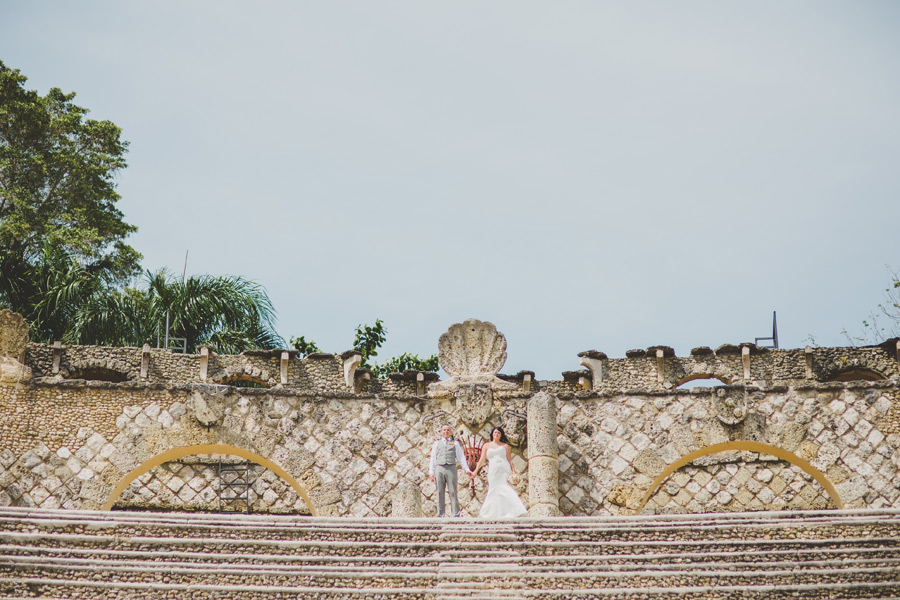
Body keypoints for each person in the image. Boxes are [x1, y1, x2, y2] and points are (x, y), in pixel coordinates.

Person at [472, 426, 527, 519]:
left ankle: (512, 510)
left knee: (504, 488)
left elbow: (509, 460)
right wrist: (475, 471)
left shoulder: (505, 446)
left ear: (501, 435)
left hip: (503, 469)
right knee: (493, 489)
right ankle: (490, 512)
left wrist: (513, 471)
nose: (496, 434)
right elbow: (482, 459)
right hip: (493, 470)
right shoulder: (486, 445)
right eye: (495, 432)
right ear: (492, 434)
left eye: (498, 433)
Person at [428, 424, 473, 517]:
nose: (446, 432)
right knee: (440, 491)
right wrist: (431, 471)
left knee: (453, 491)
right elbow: (433, 457)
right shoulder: (437, 443)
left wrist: (466, 469)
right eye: (444, 430)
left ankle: (455, 514)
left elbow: (461, 458)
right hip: (439, 468)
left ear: (450, 432)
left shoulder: (455, 443)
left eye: (448, 430)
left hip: (451, 467)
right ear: (441, 432)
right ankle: (440, 514)